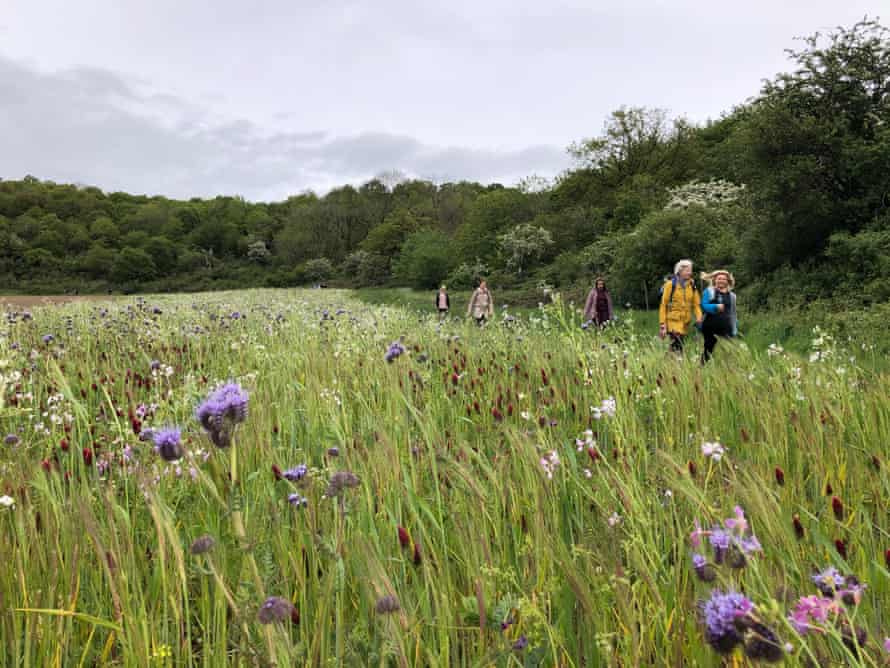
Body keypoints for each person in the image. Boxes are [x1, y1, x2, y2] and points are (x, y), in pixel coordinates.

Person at [658, 259, 703, 353]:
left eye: (690, 270)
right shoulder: (670, 285)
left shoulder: (692, 285)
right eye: (687, 270)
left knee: (676, 346)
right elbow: (663, 305)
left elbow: (696, 305)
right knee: (678, 344)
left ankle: (669, 363)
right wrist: (662, 324)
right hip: (673, 320)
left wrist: (699, 319)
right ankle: (678, 364)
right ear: (679, 271)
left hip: (685, 322)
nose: (690, 273)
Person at [699, 270, 738, 363]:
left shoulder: (732, 296)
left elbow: (733, 313)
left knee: (728, 350)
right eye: (719, 278)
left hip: (726, 326)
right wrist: (715, 306)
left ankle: (727, 371)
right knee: (708, 350)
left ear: (728, 281)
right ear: (714, 280)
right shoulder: (709, 291)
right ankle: (700, 369)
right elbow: (703, 305)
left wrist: (734, 328)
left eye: (724, 279)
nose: (721, 280)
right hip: (710, 326)